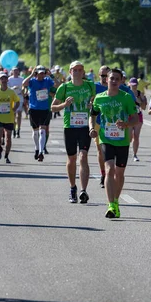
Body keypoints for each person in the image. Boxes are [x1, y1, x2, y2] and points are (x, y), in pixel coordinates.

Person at [89, 68, 139, 218]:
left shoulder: (126, 97)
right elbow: (92, 115)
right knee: (110, 169)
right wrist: (92, 128)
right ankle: (111, 205)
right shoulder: (99, 98)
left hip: (122, 140)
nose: (114, 81)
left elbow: (135, 118)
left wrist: (126, 124)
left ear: (121, 81)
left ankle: (116, 201)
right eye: (111, 78)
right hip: (106, 139)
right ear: (106, 80)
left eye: (117, 79)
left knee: (119, 173)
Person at [51, 61, 96, 204]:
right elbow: (53, 108)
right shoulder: (64, 88)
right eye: (74, 70)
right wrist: (64, 104)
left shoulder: (89, 86)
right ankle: (72, 188)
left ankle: (83, 190)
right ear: (70, 72)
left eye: (80, 70)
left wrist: (92, 105)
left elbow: (95, 103)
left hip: (84, 126)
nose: (77, 72)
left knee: (83, 157)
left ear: (83, 72)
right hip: (69, 127)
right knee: (71, 159)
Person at [22, 65, 55, 162]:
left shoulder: (47, 81)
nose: (41, 75)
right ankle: (37, 148)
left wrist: (51, 75)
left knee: (42, 131)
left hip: (45, 109)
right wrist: (32, 74)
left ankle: (41, 151)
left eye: (43, 73)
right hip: (34, 109)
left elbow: (57, 85)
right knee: (35, 132)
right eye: (39, 73)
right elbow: (24, 83)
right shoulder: (32, 81)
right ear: (36, 73)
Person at [0, 71, 21, 163]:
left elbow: (17, 101)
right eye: (1, 79)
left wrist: (14, 109)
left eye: (5, 78)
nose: (3, 80)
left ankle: (6, 156)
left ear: (7, 80)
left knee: (8, 138)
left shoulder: (11, 92)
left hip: (9, 118)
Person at [94, 66, 111, 188]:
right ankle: (103, 173)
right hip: (98, 123)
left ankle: (111, 172)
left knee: (112, 150)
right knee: (100, 150)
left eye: (107, 76)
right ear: (98, 76)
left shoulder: (115, 86)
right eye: (102, 76)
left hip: (112, 123)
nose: (105, 78)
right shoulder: (94, 87)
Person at [128, 77, 147, 161]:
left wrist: (139, 100)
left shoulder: (140, 94)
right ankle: (125, 152)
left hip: (138, 116)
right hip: (128, 116)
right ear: (129, 84)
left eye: (135, 85)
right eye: (132, 85)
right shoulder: (126, 93)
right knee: (128, 137)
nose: (134, 86)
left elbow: (144, 107)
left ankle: (135, 155)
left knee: (136, 136)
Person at [7, 67, 25, 139]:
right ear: (12, 72)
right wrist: (13, 88)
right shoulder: (9, 79)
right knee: (13, 114)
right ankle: (13, 129)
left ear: (18, 71)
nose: (15, 72)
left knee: (19, 114)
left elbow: (24, 87)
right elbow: (7, 88)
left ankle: (18, 130)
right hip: (12, 98)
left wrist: (22, 90)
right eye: (14, 71)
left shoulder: (21, 79)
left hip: (20, 97)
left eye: (16, 71)